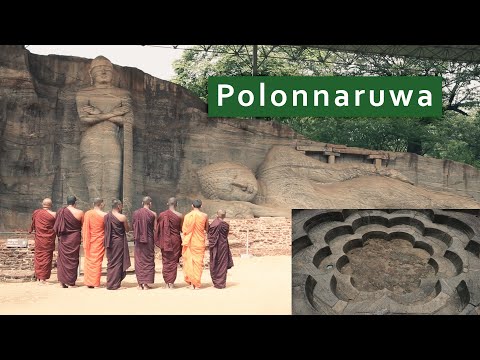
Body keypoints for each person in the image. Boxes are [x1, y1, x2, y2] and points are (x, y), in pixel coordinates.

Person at [75, 56, 134, 209]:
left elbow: (128, 121)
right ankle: (96, 218)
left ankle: (110, 219)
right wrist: (113, 114)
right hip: (91, 141)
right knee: (93, 187)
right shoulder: (84, 93)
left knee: (112, 186)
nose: (103, 71)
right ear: (90, 73)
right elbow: (84, 119)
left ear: (113, 73)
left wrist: (96, 114)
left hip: (112, 140)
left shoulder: (123, 94)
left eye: (107, 69)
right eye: (99, 68)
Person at [53, 195, 84, 288]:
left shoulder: (60, 212)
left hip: (63, 238)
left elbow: (57, 226)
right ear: (75, 203)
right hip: (74, 238)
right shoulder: (80, 212)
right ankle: (71, 282)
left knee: (62, 259)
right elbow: (83, 225)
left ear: (67, 202)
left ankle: (62, 280)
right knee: (73, 259)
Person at [155, 197, 183, 289]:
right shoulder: (180, 215)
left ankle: (167, 282)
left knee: (166, 261)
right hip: (175, 240)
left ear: (167, 204)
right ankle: (171, 283)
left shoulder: (162, 215)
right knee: (173, 261)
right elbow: (181, 229)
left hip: (164, 240)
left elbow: (158, 229)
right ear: (177, 204)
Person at [181, 199, 209, 289]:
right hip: (199, 242)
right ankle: (196, 283)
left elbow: (184, 230)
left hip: (189, 242)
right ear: (201, 206)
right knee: (198, 263)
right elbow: (207, 229)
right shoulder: (204, 216)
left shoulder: (187, 216)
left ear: (192, 206)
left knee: (189, 261)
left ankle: (192, 283)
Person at [104, 199, 131, 290]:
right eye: (121, 205)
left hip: (109, 241)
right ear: (119, 206)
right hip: (118, 242)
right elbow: (127, 229)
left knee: (111, 262)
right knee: (117, 262)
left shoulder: (106, 216)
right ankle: (114, 285)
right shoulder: (122, 217)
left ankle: (110, 283)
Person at [29, 198, 56, 284]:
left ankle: (39, 278)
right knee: (46, 258)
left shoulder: (36, 213)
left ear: (42, 204)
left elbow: (33, 224)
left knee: (39, 257)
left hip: (39, 239)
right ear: (51, 205)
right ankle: (42, 279)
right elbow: (56, 226)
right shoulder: (54, 214)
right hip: (48, 240)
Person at [82, 198, 107, 288]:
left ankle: (89, 282)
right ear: (101, 205)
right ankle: (95, 283)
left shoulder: (88, 214)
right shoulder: (105, 215)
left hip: (90, 240)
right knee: (97, 261)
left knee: (89, 260)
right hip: (99, 239)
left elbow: (85, 228)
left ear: (93, 204)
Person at [132, 196, 156, 290]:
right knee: (148, 260)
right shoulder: (153, 214)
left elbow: (133, 226)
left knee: (139, 261)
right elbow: (155, 228)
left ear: (142, 203)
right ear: (150, 204)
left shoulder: (135, 213)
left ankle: (139, 284)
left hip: (138, 240)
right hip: (149, 240)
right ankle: (145, 284)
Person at [207, 209, 234, 289]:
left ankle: (216, 282)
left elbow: (210, 234)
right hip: (223, 246)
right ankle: (221, 283)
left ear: (217, 215)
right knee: (222, 264)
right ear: (225, 215)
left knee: (215, 262)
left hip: (214, 246)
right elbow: (225, 235)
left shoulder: (213, 224)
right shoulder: (225, 225)